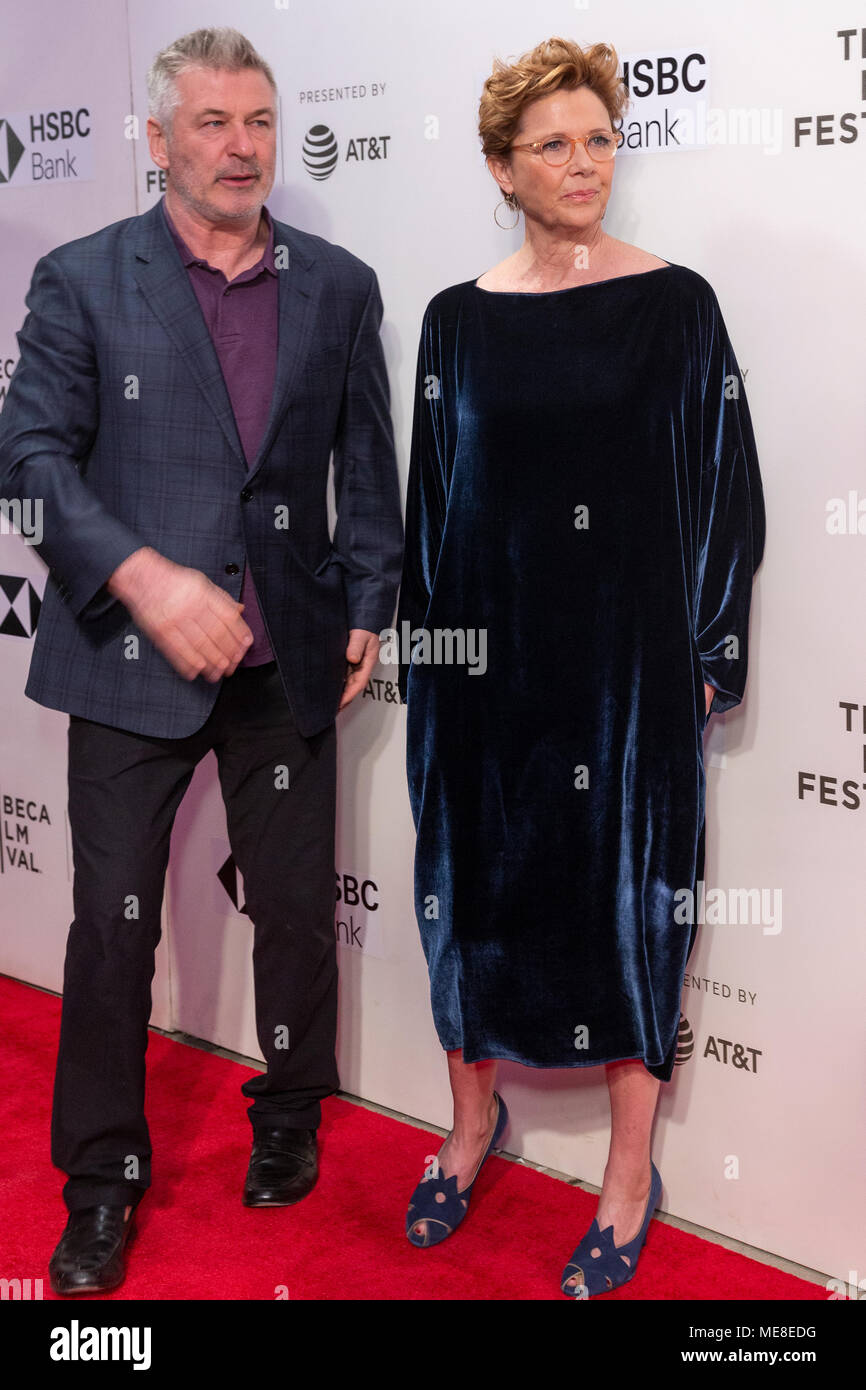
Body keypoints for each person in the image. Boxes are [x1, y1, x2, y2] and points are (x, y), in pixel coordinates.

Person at [0, 26, 402, 1295]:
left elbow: (368, 464)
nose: (241, 146)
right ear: (159, 137)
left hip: (284, 658)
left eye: (260, 121)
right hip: (126, 659)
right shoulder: (80, 278)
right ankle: (102, 1180)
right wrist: (142, 575)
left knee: (291, 910)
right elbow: (29, 465)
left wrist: (370, 598)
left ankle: (286, 1110)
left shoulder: (336, 284)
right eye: (214, 122)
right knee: (112, 929)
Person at [396, 35, 765, 1298]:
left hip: (623, 674)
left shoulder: (676, 304)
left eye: (599, 138)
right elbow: (430, 509)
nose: (582, 162)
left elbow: (726, 493)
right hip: (486, 679)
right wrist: (430, 664)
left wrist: (709, 648)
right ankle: (467, 1122)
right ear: (502, 166)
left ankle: (624, 1174)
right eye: (552, 143)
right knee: (472, 898)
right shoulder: (454, 320)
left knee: (628, 909)